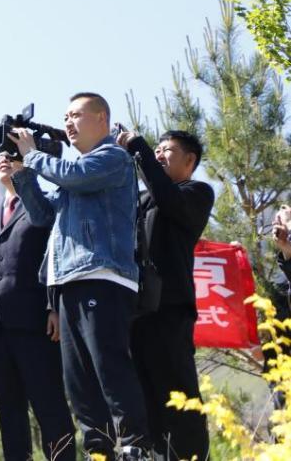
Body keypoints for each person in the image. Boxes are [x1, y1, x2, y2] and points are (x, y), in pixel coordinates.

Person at [8, 93, 151, 460]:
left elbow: (76, 175)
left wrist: (33, 154)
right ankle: (99, 447)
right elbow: (41, 214)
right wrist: (22, 174)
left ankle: (134, 444)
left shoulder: (113, 158)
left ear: (102, 118)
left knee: (108, 363)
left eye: (76, 115)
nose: (68, 122)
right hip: (70, 281)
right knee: (78, 376)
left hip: (102, 276)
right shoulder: (75, 176)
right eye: (65, 116)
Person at [0, 154, 75, 461]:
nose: (4, 161)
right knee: (9, 411)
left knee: (49, 406)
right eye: (0, 157)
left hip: (37, 325)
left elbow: (58, 258)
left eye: (13, 157)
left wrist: (55, 306)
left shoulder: (44, 206)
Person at [117, 128, 213, 460]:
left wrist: (138, 146)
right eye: (155, 149)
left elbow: (166, 196)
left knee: (178, 393)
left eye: (166, 150)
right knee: (142, 397)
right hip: (135, 311)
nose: (158, 154)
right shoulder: (142, 198)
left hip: (170, 311)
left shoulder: (196, 192)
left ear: (190, 160)